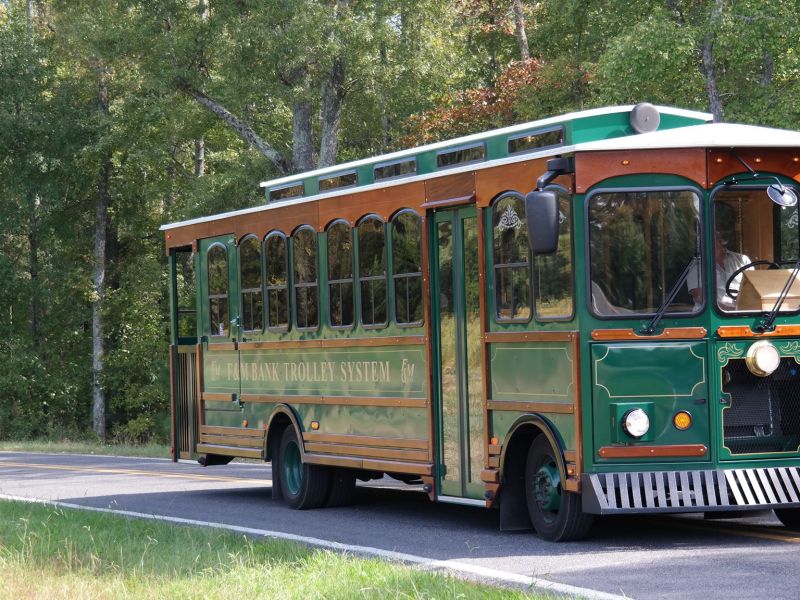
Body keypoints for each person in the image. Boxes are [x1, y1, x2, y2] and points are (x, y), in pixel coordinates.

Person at [687, 235, 751, 309]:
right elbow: (699, 296)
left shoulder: (742, 260)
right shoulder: (697, 266)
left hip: (742, 314)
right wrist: (729, 310)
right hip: (711, 316)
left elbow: (753, 289)